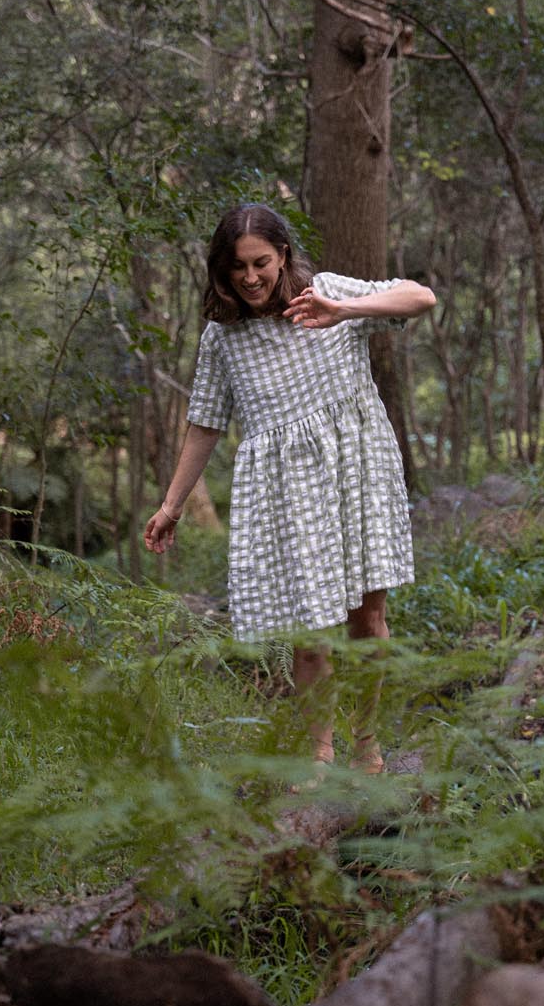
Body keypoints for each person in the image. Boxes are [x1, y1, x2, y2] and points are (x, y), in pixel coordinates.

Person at [143, 203, 436, 771]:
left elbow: (420, 297)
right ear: (220, 270)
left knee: (367, 619)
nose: (250, 278)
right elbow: (205, 421)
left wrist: (342, 310)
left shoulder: (325, 293)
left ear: (283, 256)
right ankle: (319, 757)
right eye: (236, 267)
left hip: (358, 471)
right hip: (290, 491)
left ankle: (368, 745)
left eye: (261, 263)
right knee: (309, 632)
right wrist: (172, 505)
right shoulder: (222, 338)